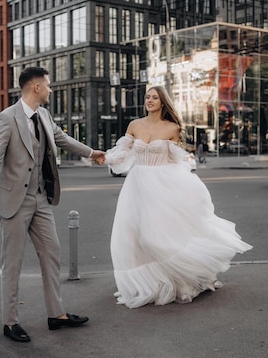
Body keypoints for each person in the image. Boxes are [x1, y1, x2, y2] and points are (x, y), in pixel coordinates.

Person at [0, 67, 105, 343]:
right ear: (35, 87)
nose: (50, 89)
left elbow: (64, 140)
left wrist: (93, 153)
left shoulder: (45, 115)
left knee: (52, 253)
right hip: (14, 201)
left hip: (41, 199)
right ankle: (10, 322)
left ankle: (56, 315)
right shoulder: (6, 118)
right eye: (48, 85)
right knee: (12, 263)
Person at [101, 85, 253, 309]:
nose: (150, 100)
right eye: (147, 97)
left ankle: (178, 278)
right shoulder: (134, 125)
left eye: (155, 97)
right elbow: (122, 153)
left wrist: (186, 186)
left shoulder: (172, 128)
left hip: (162, 186)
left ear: (163, 102)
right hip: (136, 186)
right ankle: (148, 283)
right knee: (131, 237)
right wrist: (105, 158)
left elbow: (176, 162)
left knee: (156, 237)